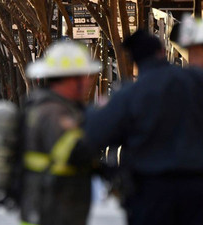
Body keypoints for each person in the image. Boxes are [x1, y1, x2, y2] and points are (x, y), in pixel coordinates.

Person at [82, 30, 203, 225]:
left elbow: (95, 135)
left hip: (150, 192)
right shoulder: (195, 81)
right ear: (162, 52)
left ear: (133, 59)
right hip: (197, 188)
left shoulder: (129, 94)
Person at [19, 40, 100, 225]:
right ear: (72, 79)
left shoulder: (46, 106)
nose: (88, 81)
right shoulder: (54, 113)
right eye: (83, 76)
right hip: (52, 209)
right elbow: (75, 151)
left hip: (49, 207)